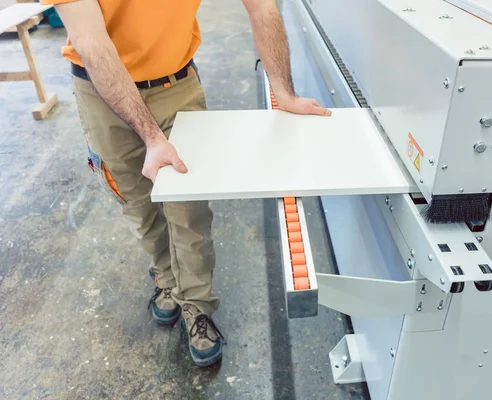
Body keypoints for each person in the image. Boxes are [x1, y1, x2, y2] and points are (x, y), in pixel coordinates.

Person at [43, 0, 330, 367]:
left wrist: (284, 92)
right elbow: (90, 39)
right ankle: (165, 277)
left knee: (188, 207)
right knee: (138, 201)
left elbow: (262, 8)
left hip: (175, 83)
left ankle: (196, 304)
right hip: (101, 88)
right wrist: (151, 137)